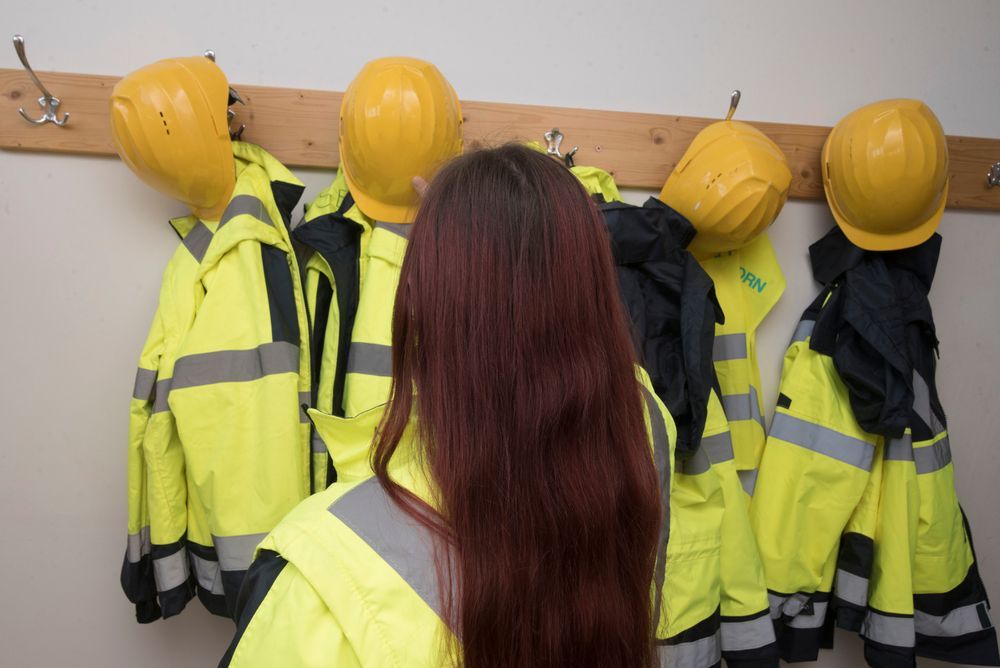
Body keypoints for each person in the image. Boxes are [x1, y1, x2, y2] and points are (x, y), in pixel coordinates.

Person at [219, 144, 675, 668]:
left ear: (418, 298)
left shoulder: (322, 574)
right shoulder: (644, 423)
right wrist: (495, 240)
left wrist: (458, 249)